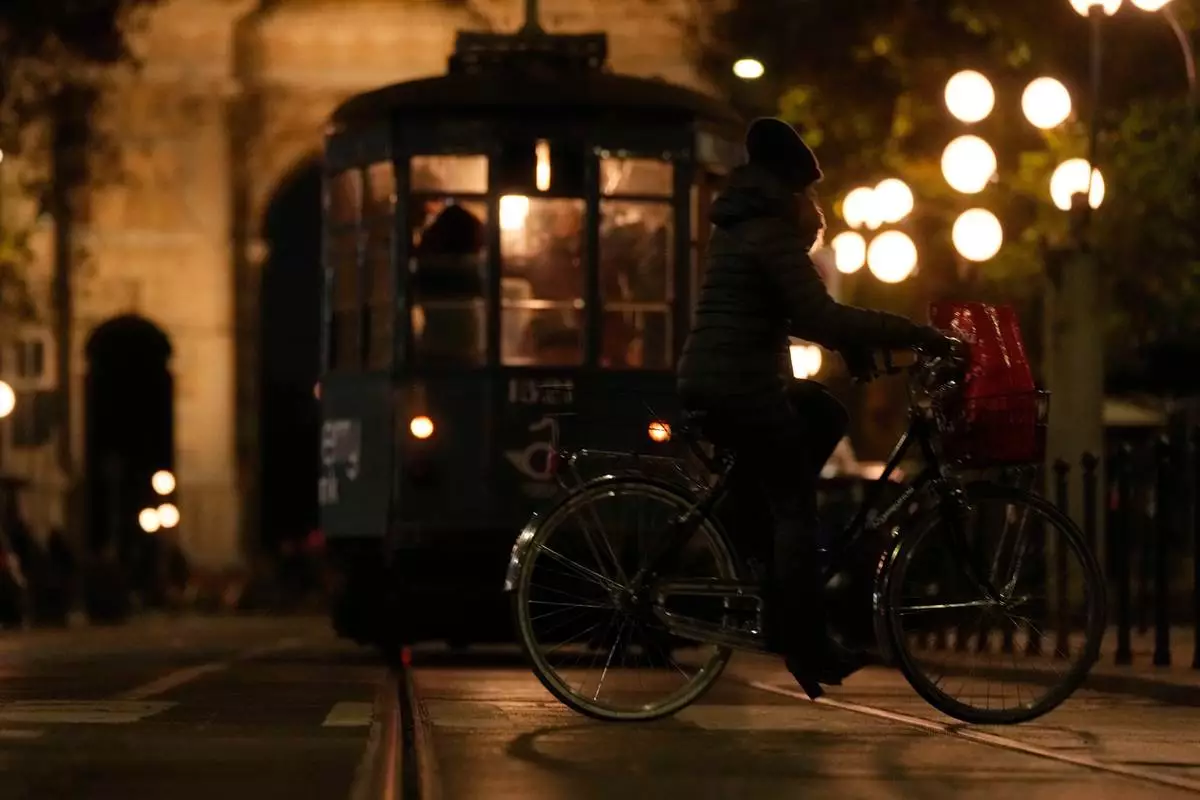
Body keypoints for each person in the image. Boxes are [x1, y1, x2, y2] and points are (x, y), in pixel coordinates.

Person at [676, 117, 957, 698]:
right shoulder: (769, 231)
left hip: (726, 378)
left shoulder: (744, 223)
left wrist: (853, 348)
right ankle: (804, 639)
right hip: (740, 384)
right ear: (789, 186)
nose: (814, 203)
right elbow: (819, 315)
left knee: (824, 414)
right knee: (796, 504)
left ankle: (764, 553)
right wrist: (917, 334)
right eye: (808, 190)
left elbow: (791, 312)